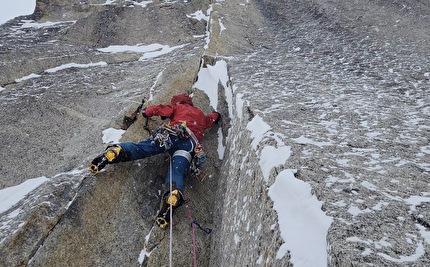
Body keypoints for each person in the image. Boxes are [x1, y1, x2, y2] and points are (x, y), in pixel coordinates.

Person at [89, 93, 220, 228]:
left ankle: (117, 152)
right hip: (189, 145)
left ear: (178, 101)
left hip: (172, 134)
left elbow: (161, 110)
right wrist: (217, 115)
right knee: (176, 171)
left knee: (143, 149)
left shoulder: (178, 107)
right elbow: (212, 119)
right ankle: (173, 195)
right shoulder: (201, 115)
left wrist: (147, 112)